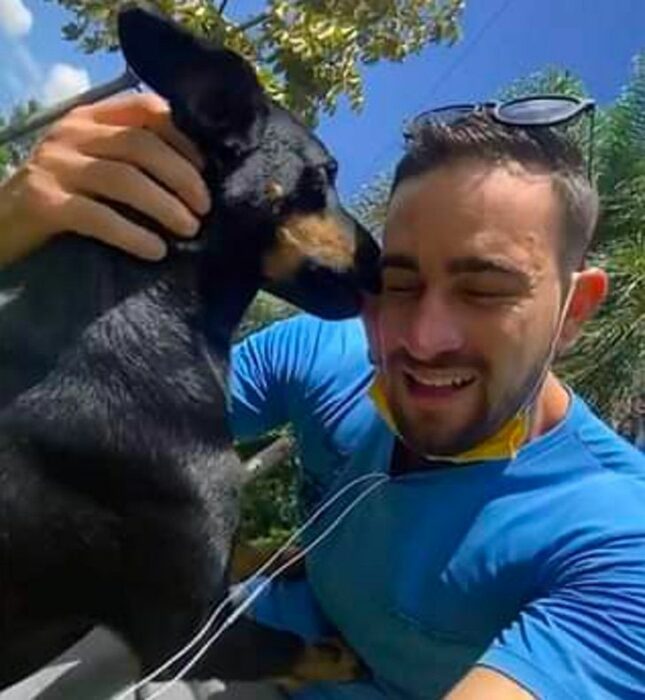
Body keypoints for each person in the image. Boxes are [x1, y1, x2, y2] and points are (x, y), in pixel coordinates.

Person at [2, 92, 645, 700]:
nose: (420, 340)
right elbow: (54, 422)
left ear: (572, 312)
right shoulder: (321, 356)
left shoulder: (620, 538)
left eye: (484, 291)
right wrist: (12, 231)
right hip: (227, 633)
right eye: (400, 283)